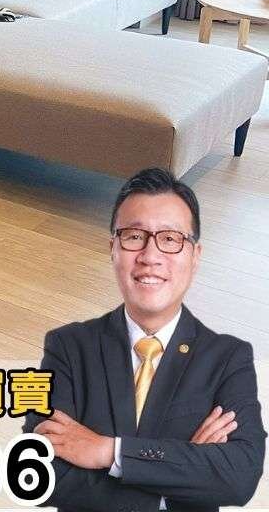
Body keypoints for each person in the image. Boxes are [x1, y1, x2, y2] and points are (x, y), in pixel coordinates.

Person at [24, 168, 265, 511]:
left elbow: (240, 475)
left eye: (170, 239)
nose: (150, 257)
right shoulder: (68, 346)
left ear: (195, 255)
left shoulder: (228, 358)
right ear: (112, 249)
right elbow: (39, 473)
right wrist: (180, 476)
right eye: (134, 236)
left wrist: (109, 452)